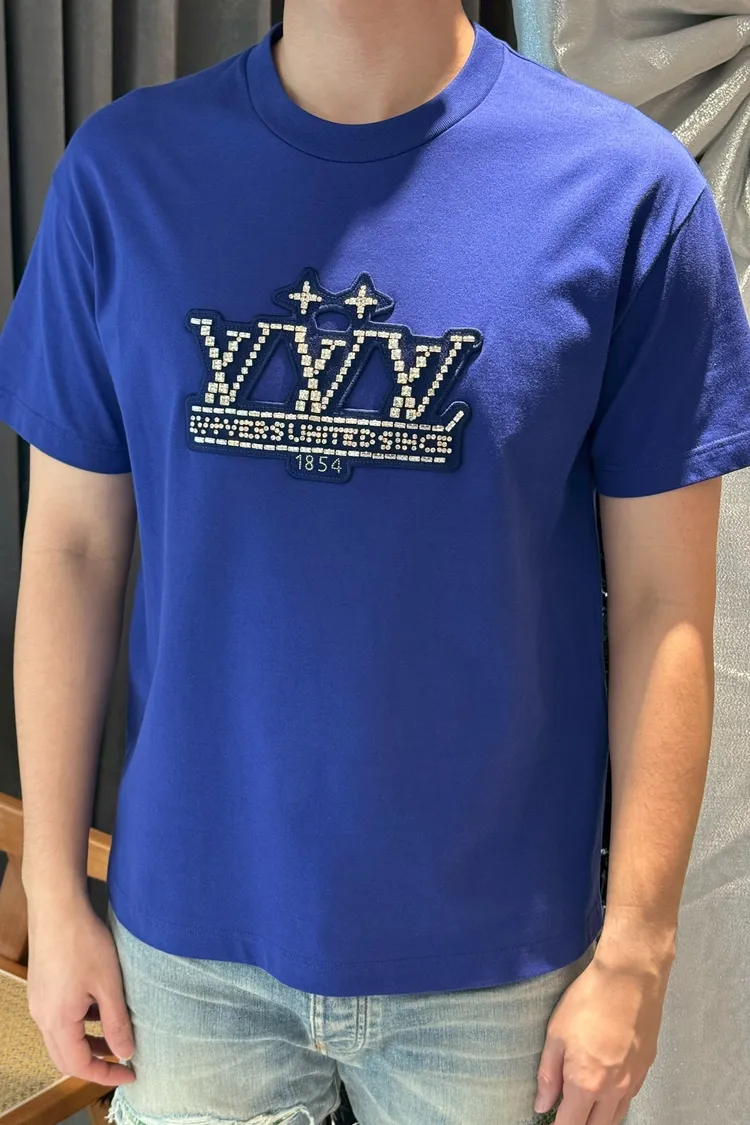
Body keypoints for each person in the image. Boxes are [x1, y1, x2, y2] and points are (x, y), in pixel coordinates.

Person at [1, 1, 749, 1123]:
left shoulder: (626, 192)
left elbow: (663, 607)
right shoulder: (123, 174)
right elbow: (69, 550)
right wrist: (53, 888)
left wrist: (639, 944)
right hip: (190, 949)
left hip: (498, 968)